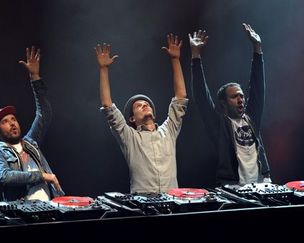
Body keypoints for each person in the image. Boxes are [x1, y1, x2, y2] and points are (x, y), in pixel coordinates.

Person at [95, 34, 188, 193]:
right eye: (139, 106)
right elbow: (107, 106)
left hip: (172, 203)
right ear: (132, 118)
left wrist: (175, 60)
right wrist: (103, 69)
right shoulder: (130, 137)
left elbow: (180, 97)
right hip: (143, 205)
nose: (145, 105)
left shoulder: (168, 131)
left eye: (147, 104)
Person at [190, 23, 271, 186]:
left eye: (241, 96)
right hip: (233, 185)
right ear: (224, 103)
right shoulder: (219, 124)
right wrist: (195, 55)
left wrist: (257, 48)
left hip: (262, 183)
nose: (241, 99)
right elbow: (201, 97)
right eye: (235, 97)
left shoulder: (251, 119)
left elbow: (257, 89)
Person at [0, 46, 64, 202]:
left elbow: (44, 114)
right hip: (22, 212)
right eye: (4, 122)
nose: (12, 124)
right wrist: (41, 176)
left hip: (51, 205)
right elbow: (5, 176)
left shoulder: (31, 142)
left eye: (13, 119)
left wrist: (34, 77)